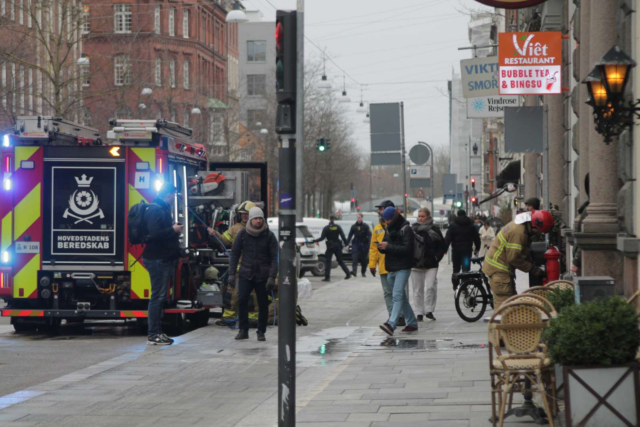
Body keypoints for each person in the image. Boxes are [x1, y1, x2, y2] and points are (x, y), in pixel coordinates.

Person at [482, 210, 553, 308]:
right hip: (499, 271)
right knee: (504, 306)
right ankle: (501, 323)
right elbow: (513, 258)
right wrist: (532, 268)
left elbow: (520, 251)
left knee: (513, 304)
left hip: (500, 270)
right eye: (540, 231)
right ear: (535, 226)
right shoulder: (519, 233)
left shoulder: (521, 227)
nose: (539, 234)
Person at [228, 207, 278, 341]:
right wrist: (232, 274)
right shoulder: (242, 234)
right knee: (242, 300)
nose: (258, 221)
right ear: (251, 219)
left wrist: (272, 277)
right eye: (255, 218)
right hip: (246, 273)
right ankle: (243, 330)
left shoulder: (269, 235)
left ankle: (261, 331)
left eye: (260, 218)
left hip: (263, 275)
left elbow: (275, 258)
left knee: (262, 303)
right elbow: (234, 254)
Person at [143, 185, 183, 346]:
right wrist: (172, 230)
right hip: (157, 259)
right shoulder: (156, 210)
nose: (175, 198)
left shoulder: (161, 208)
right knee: (157, 297)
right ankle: (154, 334)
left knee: (159, 297)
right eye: (173, 195)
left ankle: (156, 332)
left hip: (162, 258)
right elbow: (154, 234)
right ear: (168, 195)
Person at [378, 207, 418, 336]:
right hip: (391, 268)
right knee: (402, 298)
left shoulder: (406, 229)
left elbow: (407, 249)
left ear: (394, 217)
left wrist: (388, 247)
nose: (387, 222)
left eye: (388, 219)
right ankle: (412, 323)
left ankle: (391, 324)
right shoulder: (389, 229)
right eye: (385, 220)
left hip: (403, 267)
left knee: (397, 296)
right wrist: (382, 248)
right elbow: (388, 246)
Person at [369, 201, 405, 326]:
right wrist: (372, 264)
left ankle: (400, 316)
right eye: (379, 209)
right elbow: (373, 248)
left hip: (398, 265)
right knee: (388, 293)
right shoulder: (377, 228)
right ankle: (392, 317)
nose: (379, 211)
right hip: (384, 266)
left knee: (399, 293)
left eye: (381, 209)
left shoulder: (400, 226)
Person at [410, 208, 444, 322]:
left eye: (422, 216)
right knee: (417, 290)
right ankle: (419, 312)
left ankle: (429, 310)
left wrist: (436, 258)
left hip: (431, 264)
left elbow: (442, 245)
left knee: (430, 287)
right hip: (416, 265)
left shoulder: (434, 229)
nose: (420, 218)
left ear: (428, 217)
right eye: (419, 216)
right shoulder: (413, 230)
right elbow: (407, 245)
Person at [443, 210, 481, 291]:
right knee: (466, 269)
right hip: (467, 252)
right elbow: (476, 238)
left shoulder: (453, 226)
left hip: (456, 252)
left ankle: (456, 286)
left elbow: (447, 238)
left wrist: (445, 249)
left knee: (456, 269)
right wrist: (477, 248)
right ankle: (464, 286)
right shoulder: (471, 226)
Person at [314, 215, 351, 282]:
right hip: (337, 246)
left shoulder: (326, 228)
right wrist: (346, 244)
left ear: (329, 219)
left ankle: (327, 277)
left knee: (328, 261)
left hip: (330, 246)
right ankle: (348, 274)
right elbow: (343, 236)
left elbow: (322, 238)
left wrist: (314, 240)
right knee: (340, 261)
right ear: (334, 219)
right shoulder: (338, 227)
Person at [347, 213, 372, 277]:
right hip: (356, 243)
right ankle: (354, 271)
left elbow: (369, 235)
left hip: (364, 244)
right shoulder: (353, 226)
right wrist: (346, 243)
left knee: (364, 260)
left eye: (359, 217)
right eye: (357, 217)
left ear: (362, 218)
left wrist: (370, 243)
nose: (358, 219)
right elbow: (350, 235)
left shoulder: (366, 226)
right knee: (354, 257)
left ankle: (363, 272)